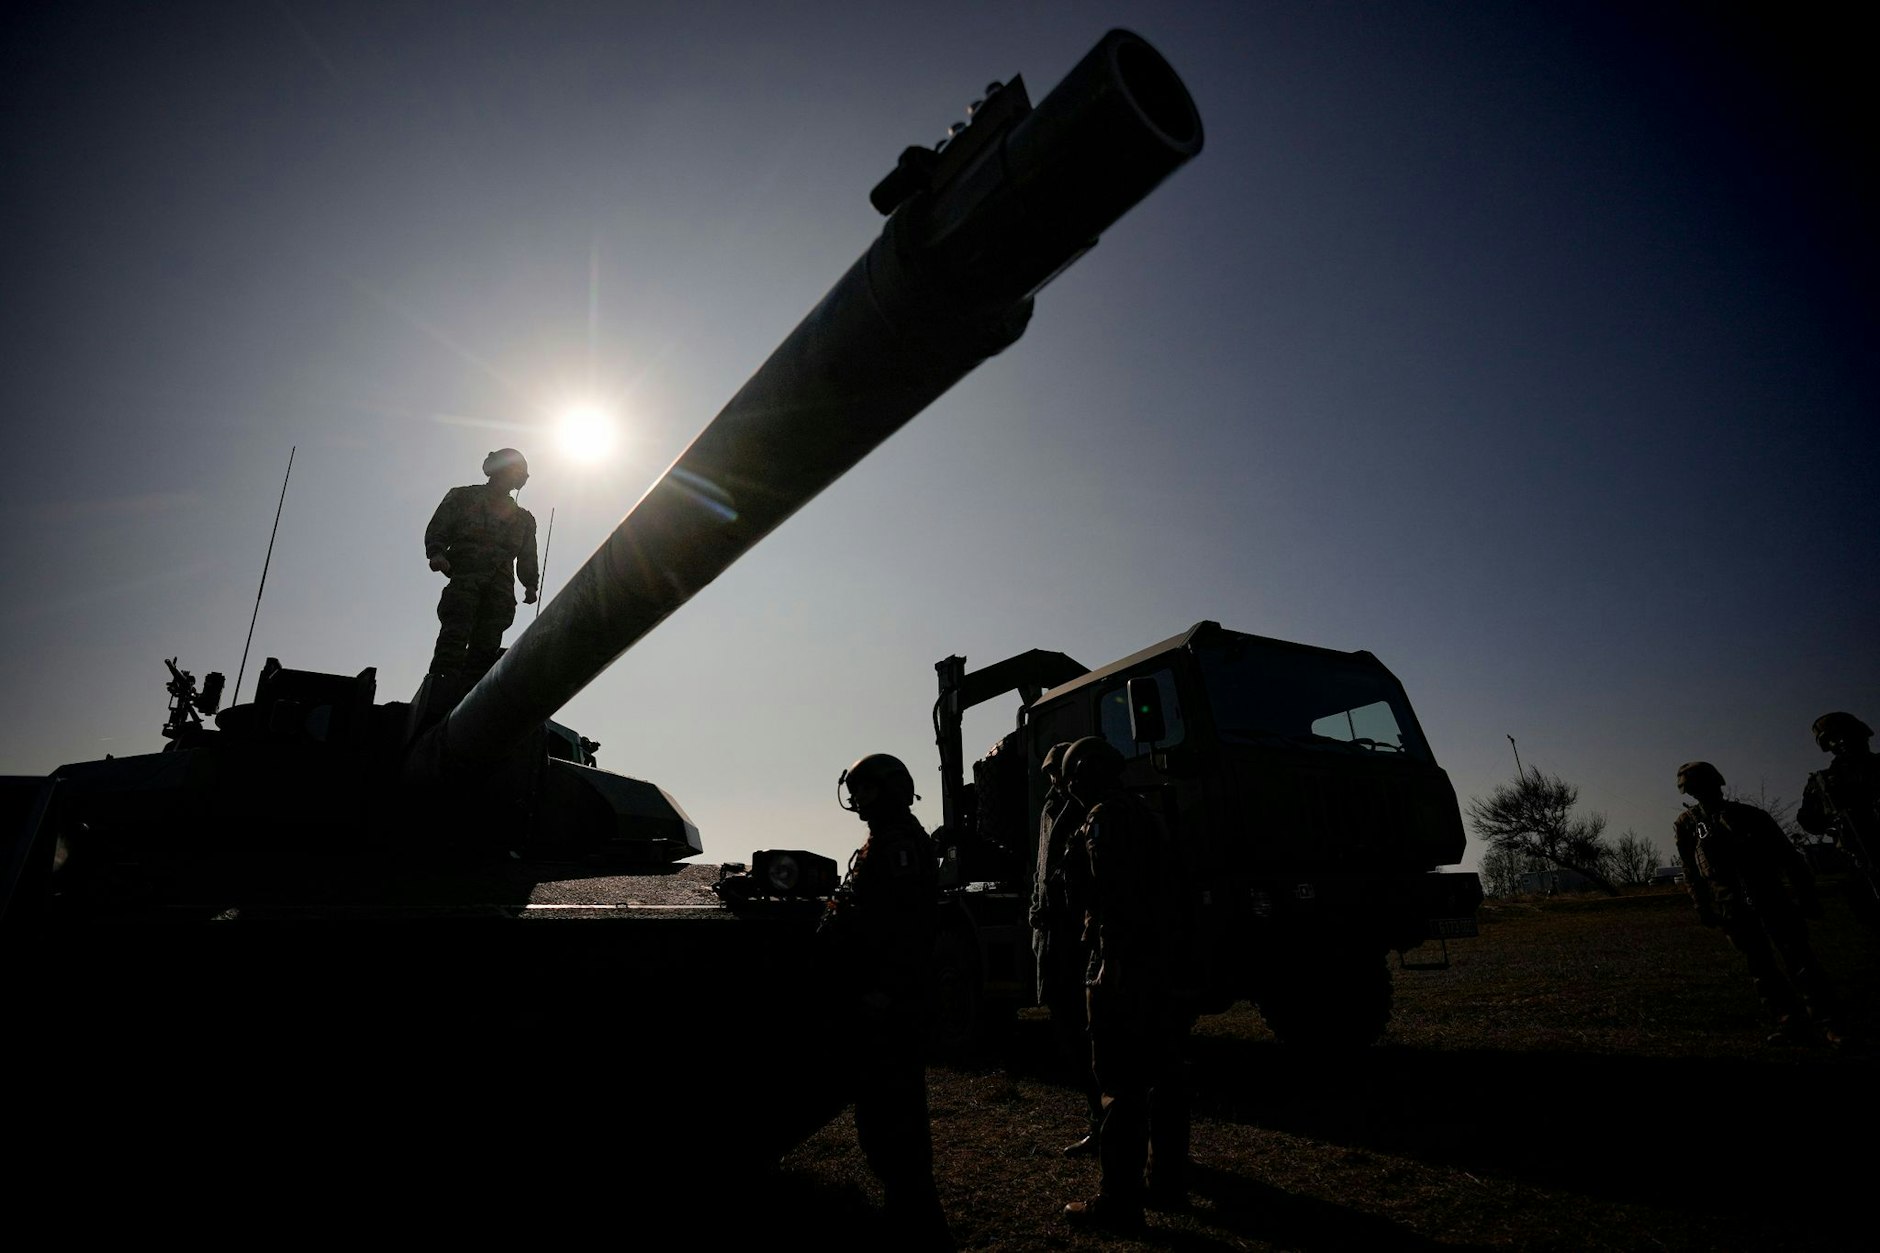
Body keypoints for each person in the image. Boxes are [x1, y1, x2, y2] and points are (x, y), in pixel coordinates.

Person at [1058, 736, 1190, 1232]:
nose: (1070, 788)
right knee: (1165, 1075)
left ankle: (1118, 1203)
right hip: (1156, 964)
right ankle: (1166, 1183)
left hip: (1121, 966)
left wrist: (1109, 961)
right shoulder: (1143, 813)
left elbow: (1112, 895)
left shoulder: (1104, 819)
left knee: (1120, 1084)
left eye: (1074, 777)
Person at [827, 753, 953, 1250]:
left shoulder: (898, 845)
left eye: (864, 791)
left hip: (889, 1002)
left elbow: (908, 930)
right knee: (885, 1109)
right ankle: (908, 1210)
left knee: (893, 1109)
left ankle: (915, 1220)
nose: (858, 802)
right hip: (884, 996)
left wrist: (885, 990)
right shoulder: (891, 839)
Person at [1673, 761, 1842, 1047]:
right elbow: (1691, 870)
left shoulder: (1750, 816)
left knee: (1801, 962)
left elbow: (1789, 857)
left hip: (1770, 895)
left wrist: (1806, 895)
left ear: (1717, 784)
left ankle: (1829, 1023)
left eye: (1704, 786)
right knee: (1761, 969)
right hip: (1731, 904)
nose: (1701, 793)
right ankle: (1789, 1022)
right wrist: (1701, 905)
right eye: (1695, 789)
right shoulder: (1688, 824)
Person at [1028, 740, 1104, 1157]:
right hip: (1053, 937)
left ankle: (1105, 1120)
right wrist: (1035, 912)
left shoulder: (1084, 808)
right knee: (1068, 1028)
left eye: (1057, 770)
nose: (1055, 779)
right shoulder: (1050, 810)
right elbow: (1041, 868)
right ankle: (1099, 1117)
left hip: (1078, 939)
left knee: (1088, 1033)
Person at [424, 448, 539, 681]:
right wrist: (436, 552)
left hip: (501, 586)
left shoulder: (524, 519)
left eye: (515, 473)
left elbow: (527, 555)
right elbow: (440, 526)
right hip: (466, 576)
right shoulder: (463, 497)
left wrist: (530, 584)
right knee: (455, 631)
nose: (511, 477)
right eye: (508, 470)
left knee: (487, 643)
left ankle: (472, 688)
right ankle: (441, 684)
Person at [1798, 712, 1880, 927]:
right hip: (1861, 861)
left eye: (1848, 735)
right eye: (1835, 738)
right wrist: (1834, 822)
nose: (1843, 742)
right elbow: (1808, 820)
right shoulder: (1823, 783)